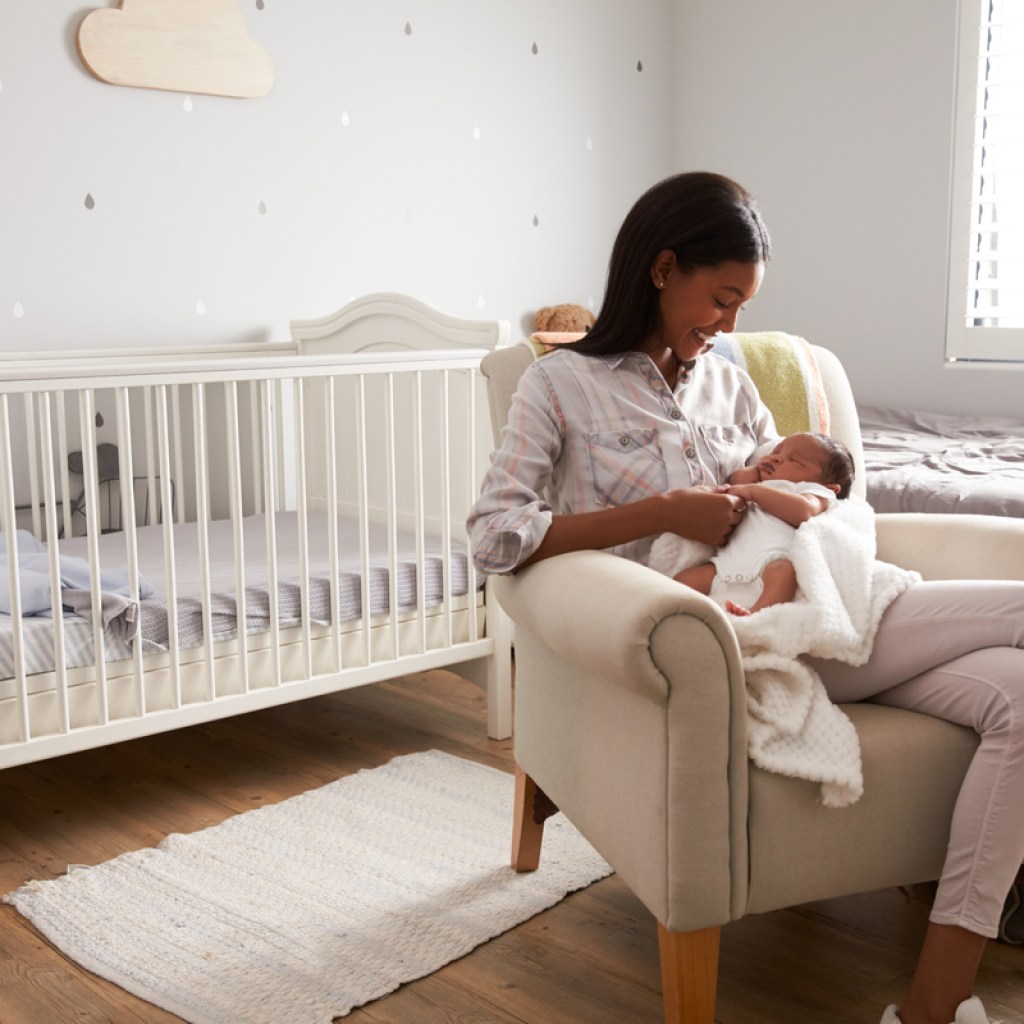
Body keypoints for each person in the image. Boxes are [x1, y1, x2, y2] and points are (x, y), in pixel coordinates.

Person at [467, 170, 1024, 1024]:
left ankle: (934, 1005)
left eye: (742, 308)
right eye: (722, 300)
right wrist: (662, 512)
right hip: (729, 640)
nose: (729, 327)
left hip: (826, 611)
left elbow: (810, 503)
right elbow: (495, 535)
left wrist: (809, 513)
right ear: (662, 269)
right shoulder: (560, 386)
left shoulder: (730, 382)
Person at [671, 431, 855, 615]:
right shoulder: (758, 482)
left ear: (830, 487)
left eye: (795, 460)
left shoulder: (810, 490)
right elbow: (737, 482)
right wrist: (756, 470)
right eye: (776, 452)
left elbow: (805, 511)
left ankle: (756, 613)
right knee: (682, 580)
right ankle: (677, 612)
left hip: (771, 562)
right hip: (724, 566)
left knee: (785, 574)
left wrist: (754, 492)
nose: (776, 458)